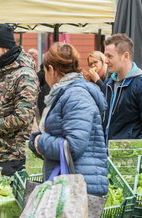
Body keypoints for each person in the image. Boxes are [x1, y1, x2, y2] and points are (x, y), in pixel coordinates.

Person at [29, 42, 108, 196]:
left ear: (51, 70)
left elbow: (73, 146)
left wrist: (39, 140)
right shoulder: (67, 93)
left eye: (44, 70)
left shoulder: (76, 95)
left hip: (79, 188)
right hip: (71, 184)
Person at [0, 25, 38, 176]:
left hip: (10, 158)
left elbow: (23, 117)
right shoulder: (2, 71)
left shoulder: (24, 75)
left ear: (6, 48)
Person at [103, 34, 142, 157]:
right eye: (105, 55)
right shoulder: (108, 83)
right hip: (107, 158)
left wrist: (133, 154)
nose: (106, 60)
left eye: (109, 56)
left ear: (126, 56)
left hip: (130, 163)